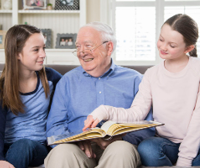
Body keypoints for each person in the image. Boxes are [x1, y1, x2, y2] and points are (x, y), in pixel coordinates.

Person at [84, 14, 200, 167]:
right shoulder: (152, 74)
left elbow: (197, 122)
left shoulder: (196, 70)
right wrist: (103, 111)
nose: (163, 47)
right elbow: (137, 113)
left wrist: (184, 160)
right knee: (147, 149)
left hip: (196, 142)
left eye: (172, 45)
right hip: (165, 143)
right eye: (161, 39)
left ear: (189, 48)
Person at [45, 21, 154, 168]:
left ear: (109, 47)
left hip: (119, 146)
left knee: (121, 150)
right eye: (78, 46)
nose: (81, 52)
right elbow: (54, 126)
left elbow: (148, 127)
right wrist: (75, 140)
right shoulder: (67, 81)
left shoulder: (135, 80)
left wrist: (121, 138)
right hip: (78, 149)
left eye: (88, 45)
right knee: (61, 152)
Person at [0, 24, 62, 168]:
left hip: (38, 147)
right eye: (36, 50)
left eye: (43, 48)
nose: (43, 54)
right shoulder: (2, 87)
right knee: (19, 148)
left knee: (23, 146)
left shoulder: (51, 78)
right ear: (17, 54)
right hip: (8, 146)